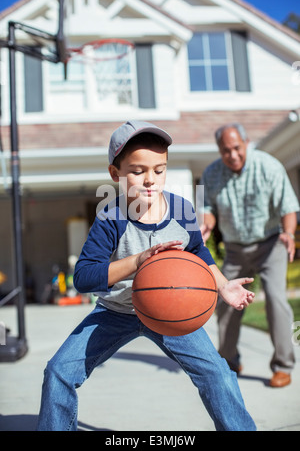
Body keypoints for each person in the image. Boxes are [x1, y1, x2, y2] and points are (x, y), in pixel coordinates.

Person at [37, 120, 256, 431]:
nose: (150, 180)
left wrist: (222, 286)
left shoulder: (181, 210)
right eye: (138, 171)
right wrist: (138, 261)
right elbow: (84, 277)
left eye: (159, 169)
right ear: (116, 174)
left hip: (170, 310)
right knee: (59, 372)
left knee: (218, 374)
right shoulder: (110, 219)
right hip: (116, 311)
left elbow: (197, 251)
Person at [201, 123, 300, 388]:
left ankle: (283, 366)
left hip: (270, 244)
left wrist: (289, 234)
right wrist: (207, 224)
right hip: (235, 248)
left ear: (246, 144)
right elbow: (208, 206)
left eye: (236, 148)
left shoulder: (269, 166)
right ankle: (230, 359)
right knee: (226, 303)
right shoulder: (211, 174)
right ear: (219, 151)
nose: (232, 155)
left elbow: (288, 206)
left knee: (276, 301)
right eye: (225, 151)